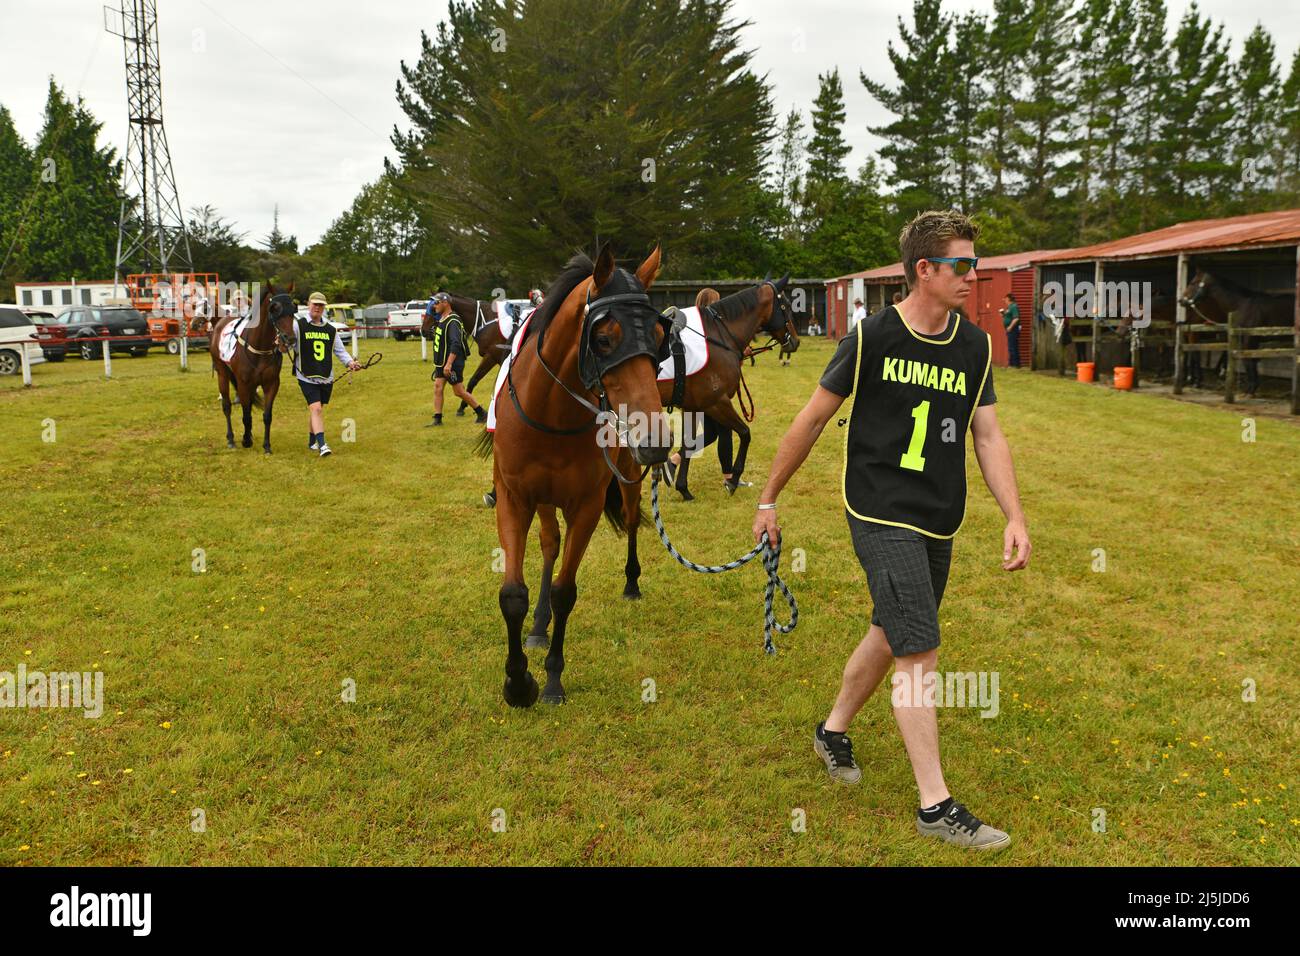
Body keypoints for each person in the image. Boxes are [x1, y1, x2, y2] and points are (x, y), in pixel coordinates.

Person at [752, 209, 1031, 851]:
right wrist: (768, 498)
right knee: (919, 647)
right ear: (924, 270)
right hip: (878, 509)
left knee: (892, 626)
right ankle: (935, 805)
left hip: (940, 513)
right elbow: (812, 419)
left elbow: (987, 434)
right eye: (961, 265)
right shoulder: (871, 336)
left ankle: (832, 730)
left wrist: (1014, 515)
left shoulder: (974, 344)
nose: (972, 276)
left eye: (975, 265)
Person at [296, 291, 360, 457]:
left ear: (324, 308)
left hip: (326, 376)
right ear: (308, 305)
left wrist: (350, 363)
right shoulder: (299, 325)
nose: (317, 307)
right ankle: (322, 445)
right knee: (316, 408)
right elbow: (288, 344)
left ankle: (312, 441)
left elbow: (340, 351)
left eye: (320, 305)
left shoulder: (331, 330)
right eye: (314, 304)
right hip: (306, 375)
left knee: (317, 409)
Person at [428, 292, 487, 426]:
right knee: (438, 387)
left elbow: (456, 344)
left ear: (445, 303)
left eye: (436, 302)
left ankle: (482, 413)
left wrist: (448, 364)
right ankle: (437, 419)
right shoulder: (442, 319)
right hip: (441, 363)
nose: (434, 306)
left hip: (452, 363)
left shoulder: (453, 321)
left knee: (459, 391)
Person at [999, 293, 1021, 368]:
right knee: (1011, 346)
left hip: (1013, 329)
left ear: (1008, 299)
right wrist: (1003, 316)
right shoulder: (1009, 307)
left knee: (1013, 346)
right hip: (1009, 330)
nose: (1004, 300)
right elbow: (1008, 318)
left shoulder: (1014, 306)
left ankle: (1015, 364)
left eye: (1005, 299)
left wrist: (1010, 327)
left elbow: (1016, 318)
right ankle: (1012, 364)